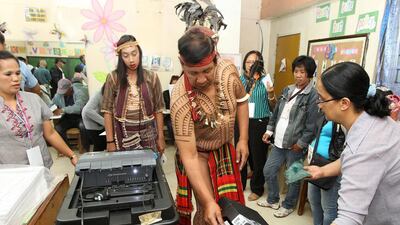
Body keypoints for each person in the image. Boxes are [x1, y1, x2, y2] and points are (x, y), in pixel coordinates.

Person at [171, 27, 249, 225]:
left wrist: (243, 139)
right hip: (198, 156)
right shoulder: (180, 100)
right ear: (182, 63)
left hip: (225, 149)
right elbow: (189, 155)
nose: (202, 79)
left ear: (215, 58)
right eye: (193, 73)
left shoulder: (229, 72)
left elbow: (242, 101)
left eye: (207, 70)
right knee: (208, 209)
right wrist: (207, 201)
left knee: (230, 208)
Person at [305, 62, 400, 225]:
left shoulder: (366, 144)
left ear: (344, 103)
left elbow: (348, 219)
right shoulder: (371, 119)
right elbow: (350, 158)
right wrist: (322, 171)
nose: (319, 105)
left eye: (322, 99)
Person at [259, 55, 321, 218]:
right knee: (269, 170)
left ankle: (288, 205)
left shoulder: (313, 95)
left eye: (303, 72)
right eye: (296, 71)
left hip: (295, 146)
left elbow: (312, 125)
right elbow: (276, 113)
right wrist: (269, 131)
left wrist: (301, 143)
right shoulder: (287, 89)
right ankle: (273, 199)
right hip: (278, 143)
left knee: (293, 177)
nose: (298, 75)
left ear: (310, 74)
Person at [0, 50, 77, 168]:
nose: (15, 78)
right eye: (8, 74)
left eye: (18, 73)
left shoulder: (34, 99)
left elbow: (50, 133)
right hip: (12, 174)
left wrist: (71, 155)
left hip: (42, 167)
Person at [101, 35, 165, 153]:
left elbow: (159, 109)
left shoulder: (152, 77)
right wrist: (109, 142)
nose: (131, 59)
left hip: (149, 132)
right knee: (126, 168)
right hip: (123, 132)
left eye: (134, 54)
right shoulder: (113, 78)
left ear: (140, 53)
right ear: (120, 57)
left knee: (150, 167)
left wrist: (161, 137)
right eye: (125, 55)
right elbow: (107, 111)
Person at [235, 50, 275, 201]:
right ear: (244, 64)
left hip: (259, 122)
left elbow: (273, 106)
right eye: (248, 62)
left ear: (260, 64)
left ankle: (257, 188)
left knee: (258, 158)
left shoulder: (266, 80)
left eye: (254, 62)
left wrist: (271, 93)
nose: (251, 65)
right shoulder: (239, 80)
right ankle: (240, 183)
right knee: (240, 155)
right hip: (241, 122)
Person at [307, 117, 345, 225]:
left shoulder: (343, 119)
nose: (319, 103)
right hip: (316, 163)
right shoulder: (325, 116)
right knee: (313, 200)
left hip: (332, 166)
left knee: (328, 208)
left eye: (322, 99)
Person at [52, 78, 89, 146]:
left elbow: (78, 108)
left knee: (83, 126)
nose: (63, 93)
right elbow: (52, 104)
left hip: (80, 116)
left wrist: (62, 109)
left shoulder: (79, 92)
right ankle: (67, 148)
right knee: (57, 128)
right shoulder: (59, 95)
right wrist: (52, 109)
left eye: (65, 91)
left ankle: (85, 148)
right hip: (67, 117)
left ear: (70, 88)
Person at [82, 85, 107, 151]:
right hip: (90, 121)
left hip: (98, 121)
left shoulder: (106, 94)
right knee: (99, 145)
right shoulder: (98, 94)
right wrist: (106, 123)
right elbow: (87, 110)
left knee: (101, 144)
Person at [163, 75, 180, 141]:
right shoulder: (166, 93)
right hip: (170, 115)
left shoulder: (183, 92)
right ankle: (175, 141)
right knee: (170, 125)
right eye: (173, 84)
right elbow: (167, 105)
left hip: (180, 114)